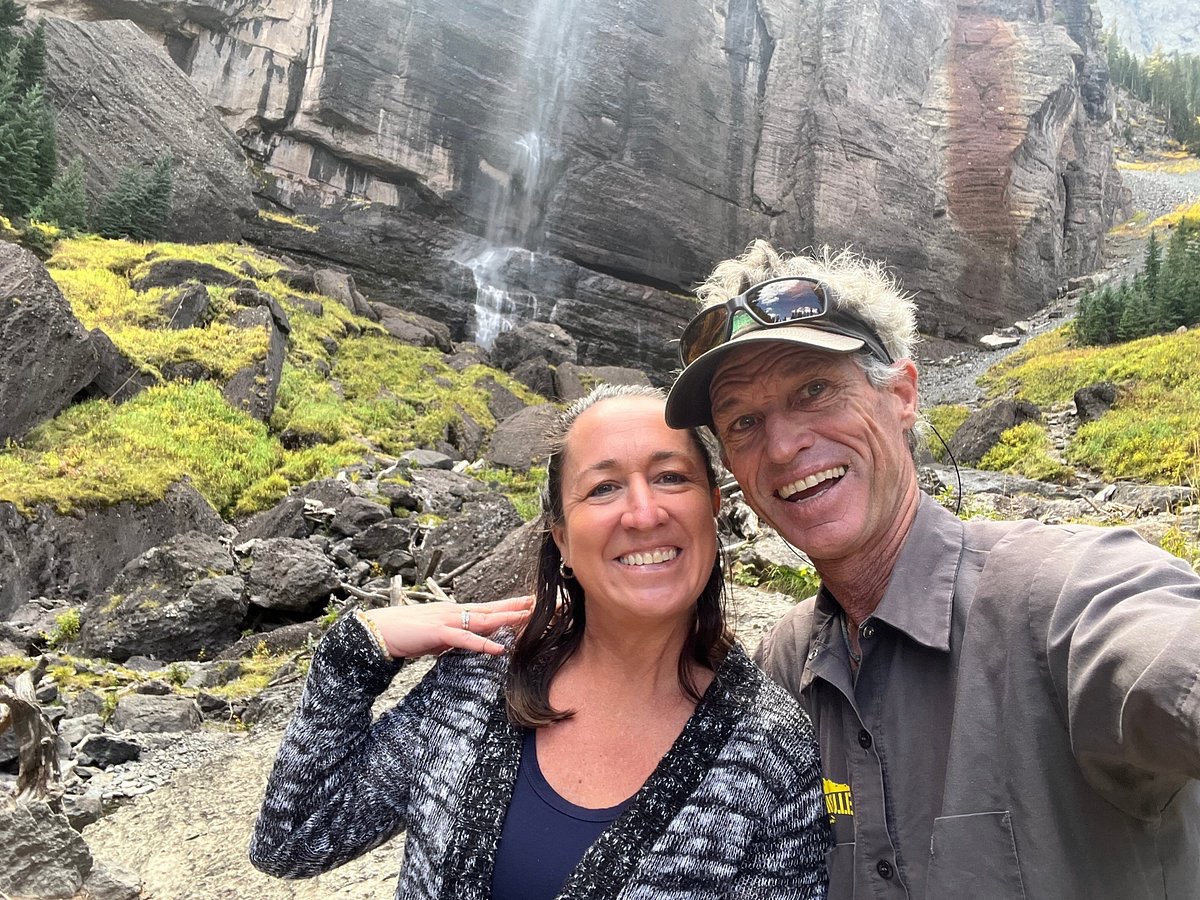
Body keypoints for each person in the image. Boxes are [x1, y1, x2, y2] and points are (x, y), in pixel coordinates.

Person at [664, 240, 1200, 899]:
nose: (781, 446)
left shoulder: (1067, 590)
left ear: (903, 395)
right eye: (743, 421)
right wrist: (540, 641)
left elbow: (1166, 658)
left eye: (814, 390)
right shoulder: (785, 663)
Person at [249, 383, 831, 899]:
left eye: (671, 476)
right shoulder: (482, 675)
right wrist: (357, 649)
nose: (644, 511)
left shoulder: (773, 752)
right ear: (562, 540)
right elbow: (293, 838)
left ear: (713, 508)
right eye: (603, 488)